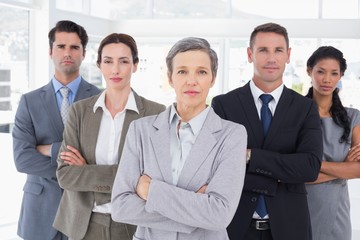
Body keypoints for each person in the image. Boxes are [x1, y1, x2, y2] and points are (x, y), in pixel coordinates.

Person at [111, 37, 247, 240]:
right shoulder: (141, 130)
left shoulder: (232, 135)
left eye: (201, 72)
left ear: (213, 78)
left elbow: (219, 215)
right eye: (182, 71)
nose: (191, 81)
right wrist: (196, 212)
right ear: (170, 77)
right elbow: (121, 206)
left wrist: (151, 192)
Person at [211, 22, 323, 240]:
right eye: (263, 50)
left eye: (278, 50)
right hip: (234, 227)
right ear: (250, 54)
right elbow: (217, 169)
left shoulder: (305, 107)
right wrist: (280, 176)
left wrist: (250, 156)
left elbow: (309, 168)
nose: (271, 58)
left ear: (288, 55)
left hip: (290, 227)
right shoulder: (224, 105)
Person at [52, 32, 165, 240]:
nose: (115, 69)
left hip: (133, 226)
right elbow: (66, 175)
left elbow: (157, 178)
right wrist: (130, 177)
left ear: (135, 65)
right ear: (99, 65)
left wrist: (86, 172)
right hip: (84, 225)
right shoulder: (79, 112)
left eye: (123, 61)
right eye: (108, 61)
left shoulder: (155, 114)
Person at [12, 20, 100, 240]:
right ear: (51, 51)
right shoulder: (29, 102)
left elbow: (98, 154)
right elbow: (23, 159)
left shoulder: (100, 99)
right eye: (61, 46)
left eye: (74, 47)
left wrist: (50, 150)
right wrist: (75, 169)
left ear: (84, 53)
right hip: (40, 212)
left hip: (85, 213)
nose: (67, 53)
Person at [305, 46, 360, 240]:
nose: (327, 79)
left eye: (334, 73)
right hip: (299, 208)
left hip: (337, 214)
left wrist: (309, 166)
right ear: (309, 71)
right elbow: (289, 174)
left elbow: (358, 170)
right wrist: (343, 167)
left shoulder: (354, 117)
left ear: (341, 75)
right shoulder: (294, 117)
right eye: (320, 71)